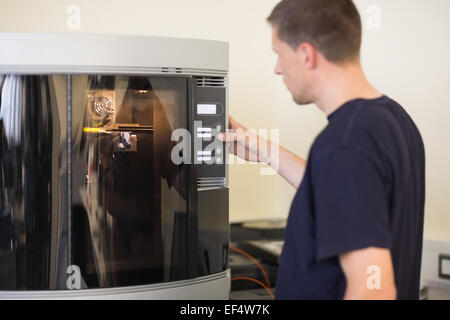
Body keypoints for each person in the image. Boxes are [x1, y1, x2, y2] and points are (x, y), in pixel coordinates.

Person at [219, 0, 425, 300]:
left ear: (306, 54)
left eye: (279, 54)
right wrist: (262, 149)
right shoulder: (392, 119)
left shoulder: (344, 144)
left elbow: (374, 289)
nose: (277, 69)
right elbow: (345, 196)